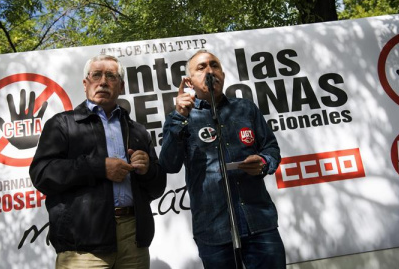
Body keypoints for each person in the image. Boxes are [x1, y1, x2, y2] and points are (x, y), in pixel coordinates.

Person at [30, 54, 166, 269]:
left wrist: (148, 170)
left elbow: (158, 187)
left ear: (121, 86)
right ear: (85, 84)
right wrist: (98, 167)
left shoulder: (137, 130)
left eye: (111, 76)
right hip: (82, 244)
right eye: (96, 75)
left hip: (134, 240)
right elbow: (41, 174)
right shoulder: (62, 124)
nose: (103, 81)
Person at [159, 50, 286, 268]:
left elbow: (271, 148)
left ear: (223, 74)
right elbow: (169, 164)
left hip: (259, 222)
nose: (209, 71)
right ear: (189, 81)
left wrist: (263, 162)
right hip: (213, 231)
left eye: (214, 65)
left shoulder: (245, 108)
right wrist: (180, 115)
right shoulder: (181, 118)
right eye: (201, 67)